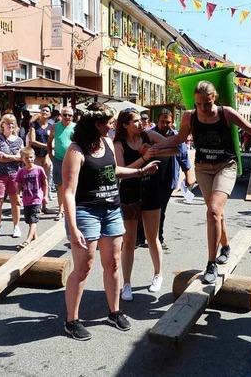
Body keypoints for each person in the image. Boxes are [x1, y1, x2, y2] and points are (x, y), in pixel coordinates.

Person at [152, 80, 251, 284]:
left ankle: (211, 264)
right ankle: (226, 246)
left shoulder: (226, 113)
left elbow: (250, 129)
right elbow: (179, 139)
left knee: (213, 210)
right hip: (203, 168)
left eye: (207, 103)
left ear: (215, 98)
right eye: (199, 104)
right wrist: (155, 147)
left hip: (225, 166)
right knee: (216, 213)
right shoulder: (189, 116)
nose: (203, 108)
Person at [62, 104, 159, 340]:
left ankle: (114, 312)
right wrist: (73, 228)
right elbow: (68, 192)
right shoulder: (76, 151)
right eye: (108, 122)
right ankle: (71, 321)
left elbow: (113, 170)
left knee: (113, 263)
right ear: (95, 124)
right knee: (83, 268)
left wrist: (140, 171)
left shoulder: (106, 142)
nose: (112, 125)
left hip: (112, 211)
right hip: (87, 213)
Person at [114, 108, 171, 297]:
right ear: (124, 125)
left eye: (141, 120)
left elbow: (175, 148)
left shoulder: (149, 134)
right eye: (136, 121)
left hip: (151, 191)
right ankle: (127, 284)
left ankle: (158, 274)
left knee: (152, 237)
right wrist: (144, 159)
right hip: (129, 193)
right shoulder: (119, 143)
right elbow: (120, 171)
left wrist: (156, 150)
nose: (141, 124)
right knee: (128, 241)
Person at [151, 109, 192, 248]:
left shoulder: (177, 137)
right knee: (148, 207)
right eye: (162, 121)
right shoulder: (150, 135)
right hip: (150, 178)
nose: (165, 124)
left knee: (161, 209)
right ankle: (142, 235)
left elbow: (184, 157)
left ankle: (158, 237)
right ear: (158, 121)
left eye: (168, 122)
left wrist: (188, 175)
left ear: (172, 122)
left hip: (168, 178)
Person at [0, 113, 23, 240]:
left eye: (12, 123)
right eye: (7, 123)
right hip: (0, 174)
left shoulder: (19, 140)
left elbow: (22, 157)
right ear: (2, 124)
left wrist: (7, 157)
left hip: (15, 174)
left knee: (15, 200)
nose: (10, 125)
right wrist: (14, 157)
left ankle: (16, 226)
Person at [15, 147, 48, 250]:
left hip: (36, 198)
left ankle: (28, 240)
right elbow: (19, 185)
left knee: (33, 220)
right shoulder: (21, 172)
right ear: (22, 159)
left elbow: (45, 183)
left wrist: (45, 196)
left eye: (31, 157)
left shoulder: (39, 169)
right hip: (26, 199)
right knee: (29, 220)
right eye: (26, 158)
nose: (29, 160)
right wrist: (17, 196)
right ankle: (35, 238)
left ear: (34, 157)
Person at [48, 107, 75, 221]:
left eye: (69, 115)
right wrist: (51, 156)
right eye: (65, 115)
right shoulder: (55, 127)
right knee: (60, 187)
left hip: (72, 161)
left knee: (72, 186)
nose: (67, 117)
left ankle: (71, 209)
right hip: (59, 160)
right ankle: (60, 210)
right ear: (61, 115)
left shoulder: (76, 127)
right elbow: (49, 142)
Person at [29, 105, 53, 211]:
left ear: (50, 114)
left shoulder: (51, 126)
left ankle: (44, 204)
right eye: (43, 110)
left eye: (47, 111)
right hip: (36, 156)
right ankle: (35, 204)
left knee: (45, 180)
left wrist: (48, 155)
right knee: (35, 180)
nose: (45, 112)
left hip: (46, 156)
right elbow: (32, 141)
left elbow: (53, 141)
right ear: (40, 112)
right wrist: (46, 146)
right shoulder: (34, 125)